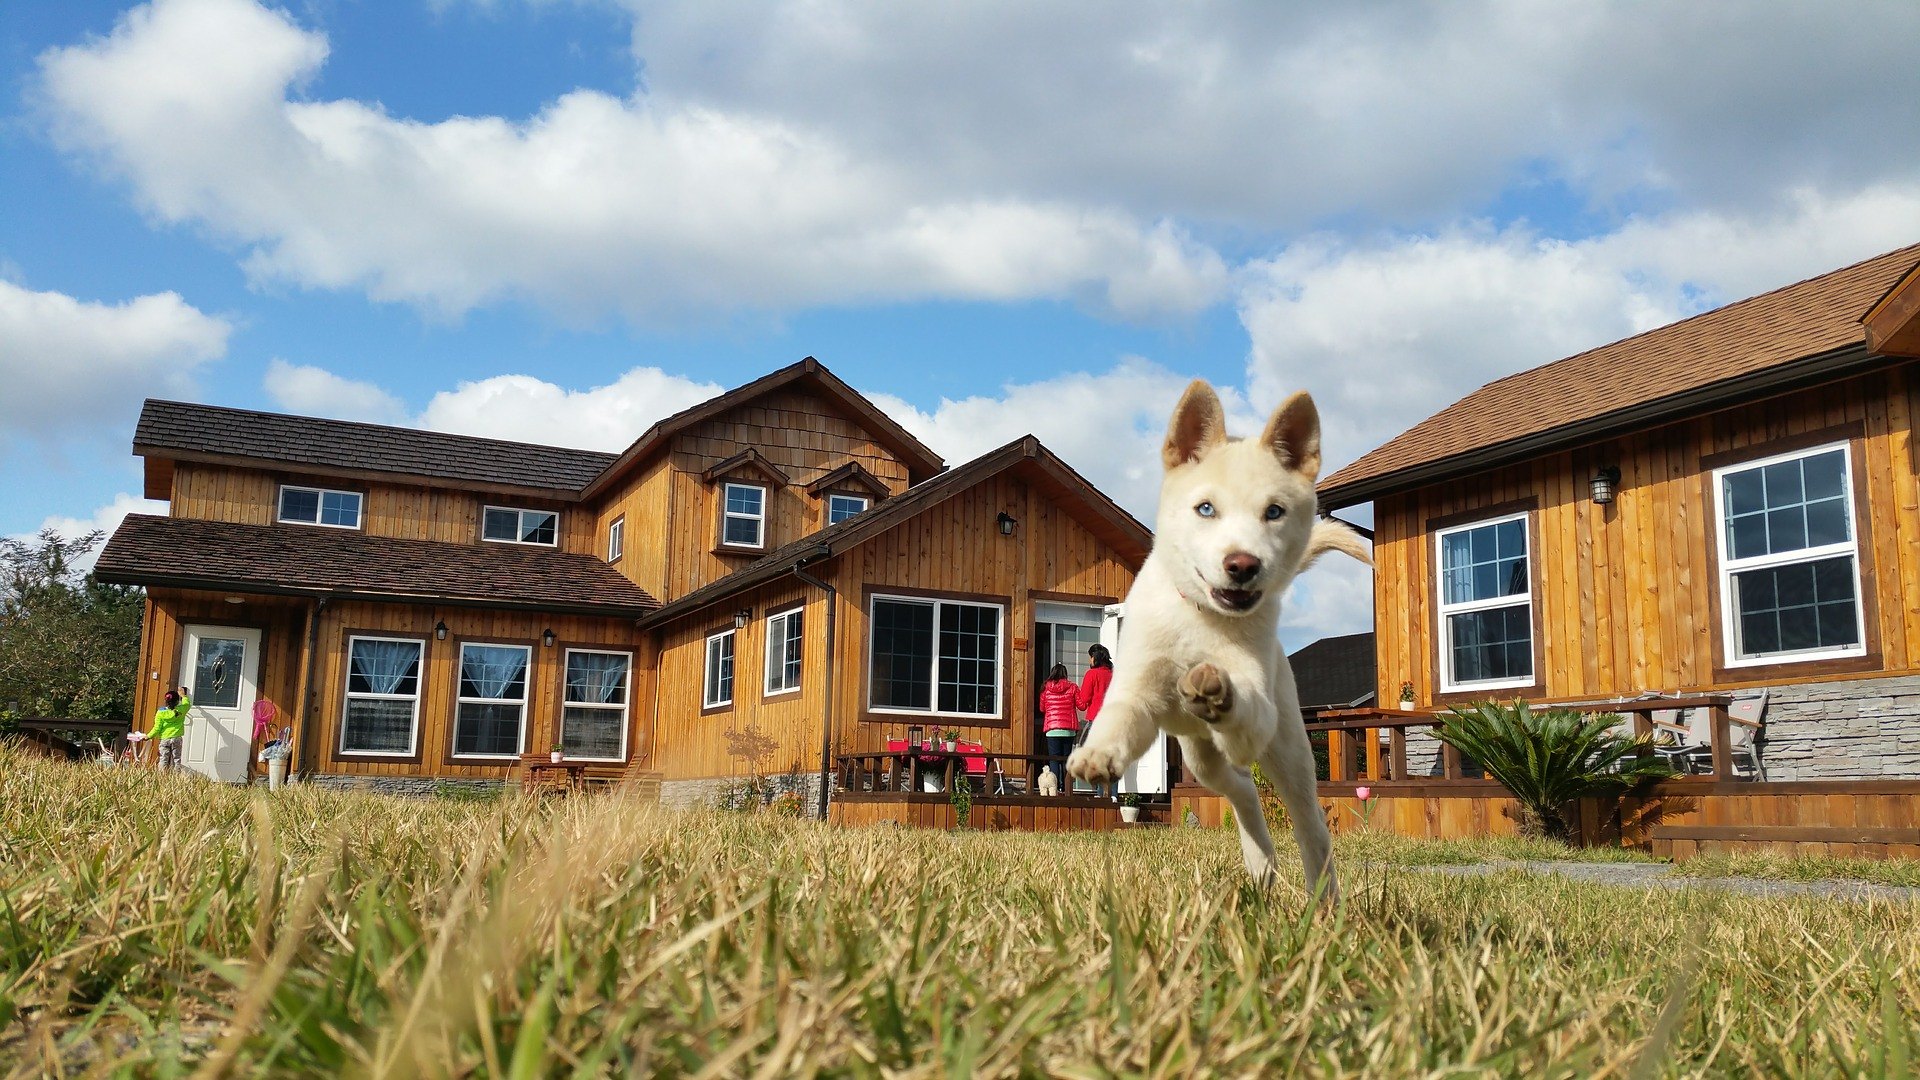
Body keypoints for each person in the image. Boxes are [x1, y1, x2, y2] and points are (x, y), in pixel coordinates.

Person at [1038, 663, 1080, 789]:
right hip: (1068, 729)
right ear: (1065, 674)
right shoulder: (1072, 687)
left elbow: (1042, 708)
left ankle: (1055, 788)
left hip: (1052, 729)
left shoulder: (1045, 688)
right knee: (1066, 759)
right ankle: (1067, 788)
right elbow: (1081, 705)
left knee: (1054, 759)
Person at [145, 685, 192, 771]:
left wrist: (148, 736)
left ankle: (161, 776)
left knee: (163, 759)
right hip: (176, 738)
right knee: (176, 759)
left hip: (165, 739)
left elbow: (157, 728)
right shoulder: (181, 709)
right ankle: (176, 776)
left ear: (166, 701)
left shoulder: (160, 713)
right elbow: (187, 704)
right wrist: (183, 695)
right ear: (177, 701)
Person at [1077, 644, 1113, 732]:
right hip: (1112, 716)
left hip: (1095, 716)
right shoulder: (1113, 674)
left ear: (1094, 657)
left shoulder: (1091, 674)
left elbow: (1085, 698)